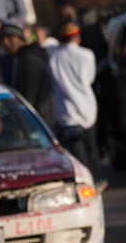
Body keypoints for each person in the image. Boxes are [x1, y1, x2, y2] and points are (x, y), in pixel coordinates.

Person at [49, 22, 106, 188]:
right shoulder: (86, 55)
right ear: (77, 37)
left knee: (78, 155)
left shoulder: (55, 57)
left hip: (67, 112)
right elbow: (89, 78)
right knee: (91, 150)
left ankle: (86, 185)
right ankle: (97, 179)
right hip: (87, 108)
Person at [0, 24, 54, 126]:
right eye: (2, 40)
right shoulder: (20, 58)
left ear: (21, 39)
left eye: (10, 38)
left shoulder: (29, 60)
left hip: (37, 123)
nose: (5, 43)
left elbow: (28, 99)